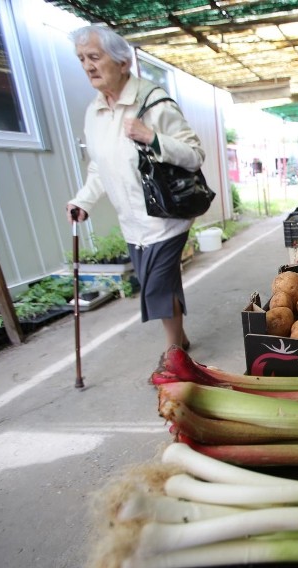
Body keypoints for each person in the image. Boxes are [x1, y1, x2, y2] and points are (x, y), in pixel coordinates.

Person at [64, 25, 205, 354]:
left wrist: (151, 138)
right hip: (132, 221)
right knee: (160, 283)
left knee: (156, 285)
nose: (88, 66)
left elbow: (194, 154)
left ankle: (173, 355)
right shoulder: (95, 111)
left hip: (167, 216)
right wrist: (83, 200)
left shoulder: (154, 102)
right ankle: (180, 339)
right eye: (82, 58)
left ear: (123, 62)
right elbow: (100, 165)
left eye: (95, 57)